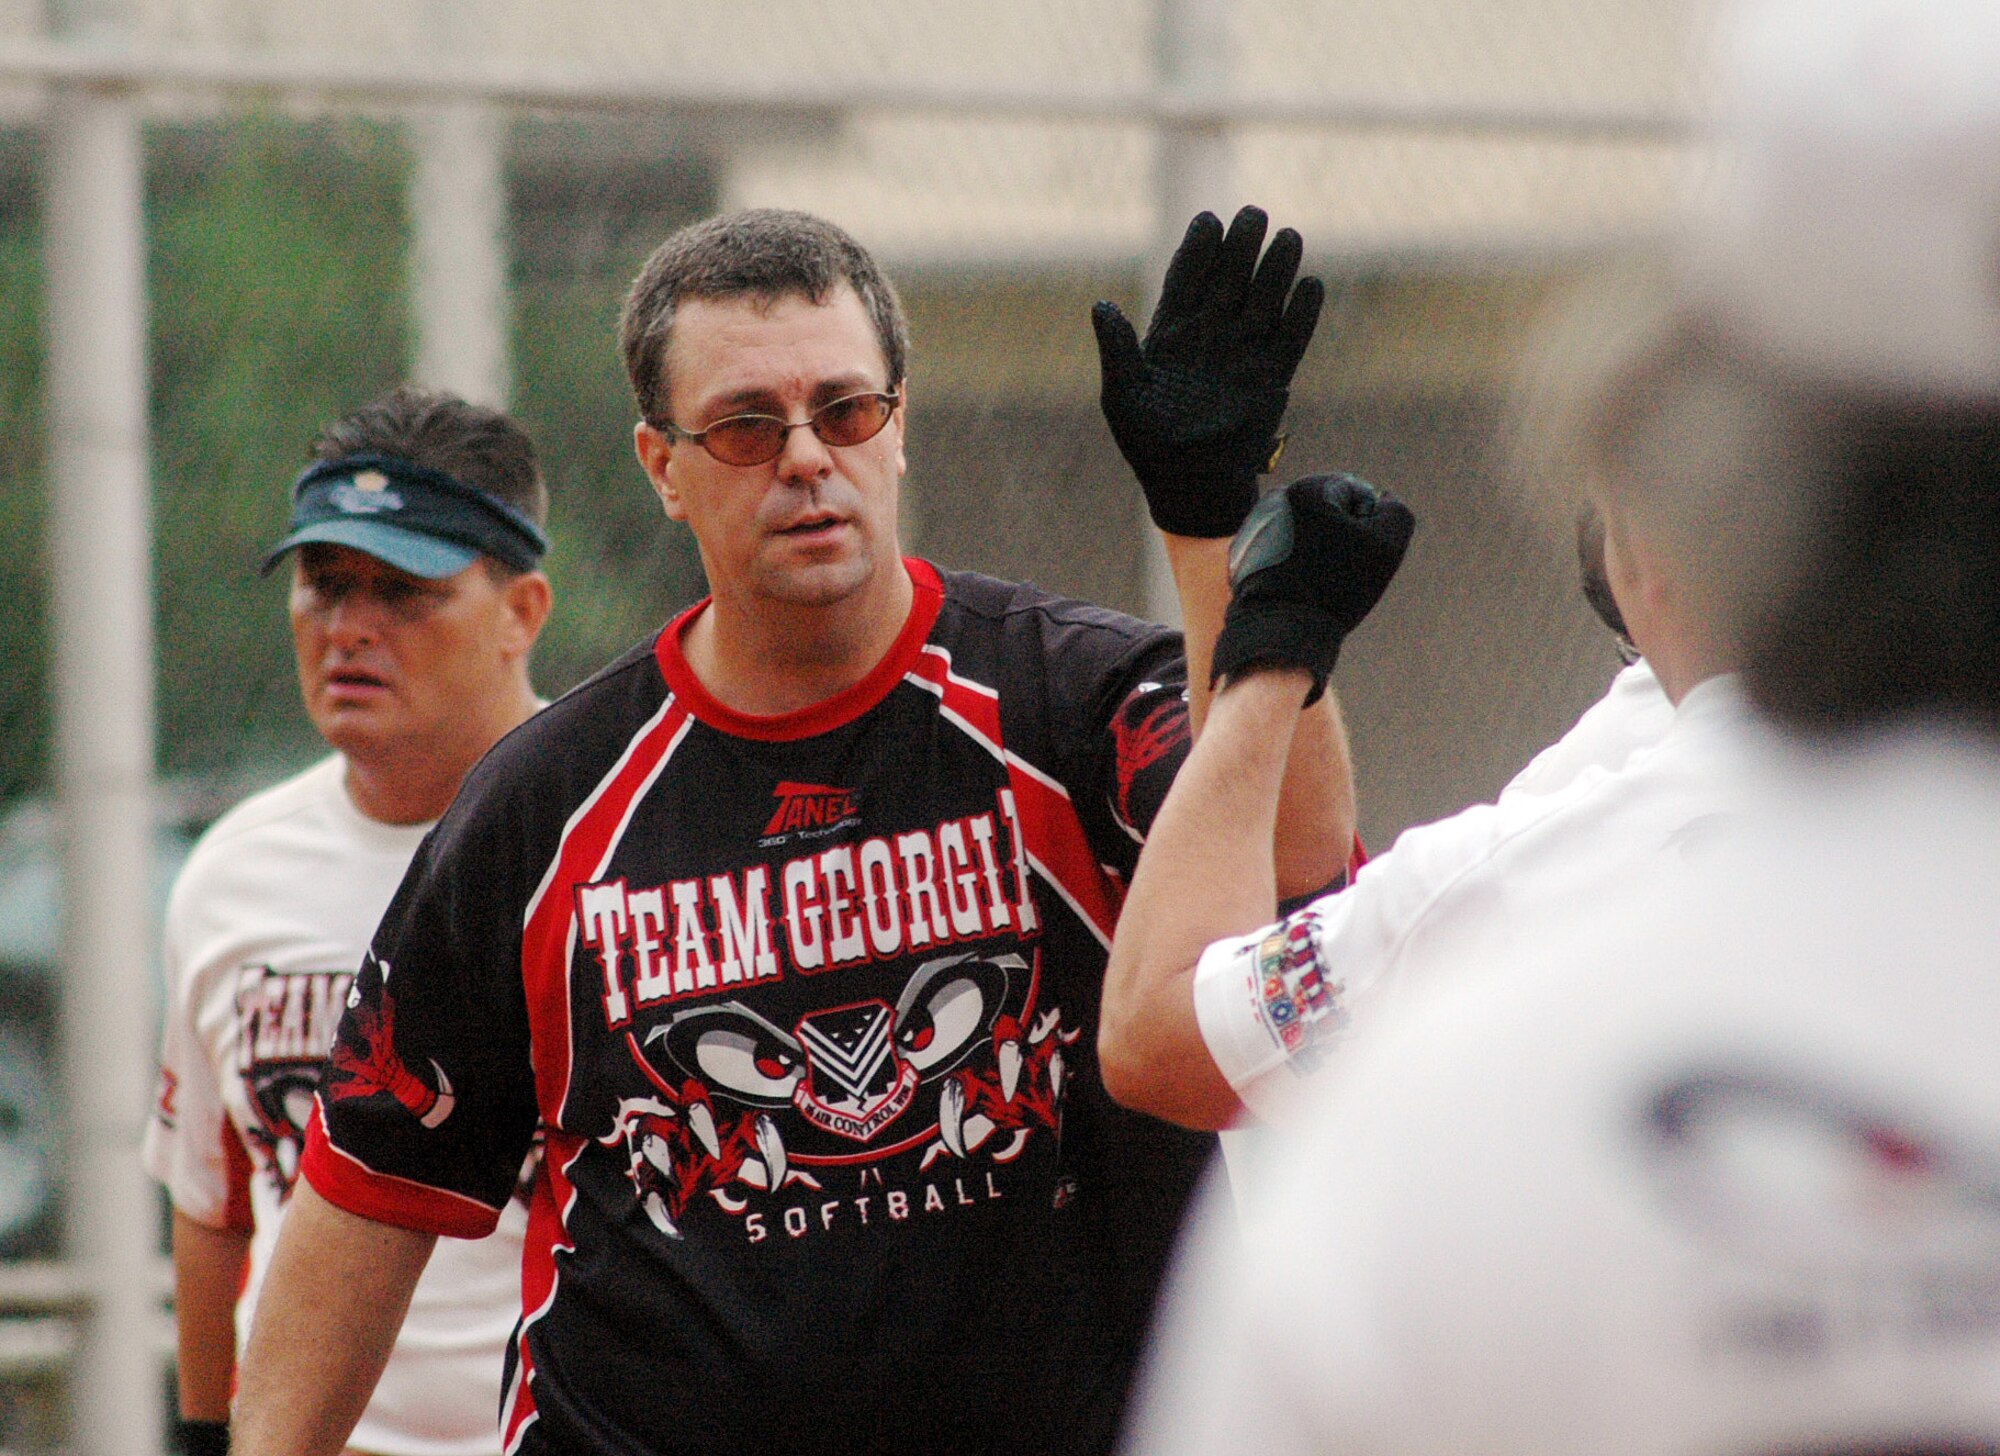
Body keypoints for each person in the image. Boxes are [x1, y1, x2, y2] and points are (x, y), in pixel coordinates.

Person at [230, 205, 1352, 1456]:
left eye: (846, 411)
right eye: (747, 426)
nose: (806, 457)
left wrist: (1216, 532)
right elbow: (367, 1185)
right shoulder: (544, 804)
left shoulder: (1070, 701)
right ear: (663, 466)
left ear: (898, 426)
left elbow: (1295, 880)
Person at [1125, 0, 2000, 1449]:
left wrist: (1270, 643)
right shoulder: (1616, 765)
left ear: (1693, 463)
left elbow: (1170, 1028)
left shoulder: (1479, 1038)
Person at [1098, 279, 1736, 1129]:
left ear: (1656, 551)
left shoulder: (1515, 875)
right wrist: (1211, 521)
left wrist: (1276, 650)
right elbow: (1310, 886)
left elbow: (1163, 1038)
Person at [143, 386, 555, 1456]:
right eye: (325, 586)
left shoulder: (610, 836)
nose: (351, 629)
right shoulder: (231, 873)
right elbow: (214, 1195)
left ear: (522, 613)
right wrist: (202, 1431)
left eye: (404, 590)